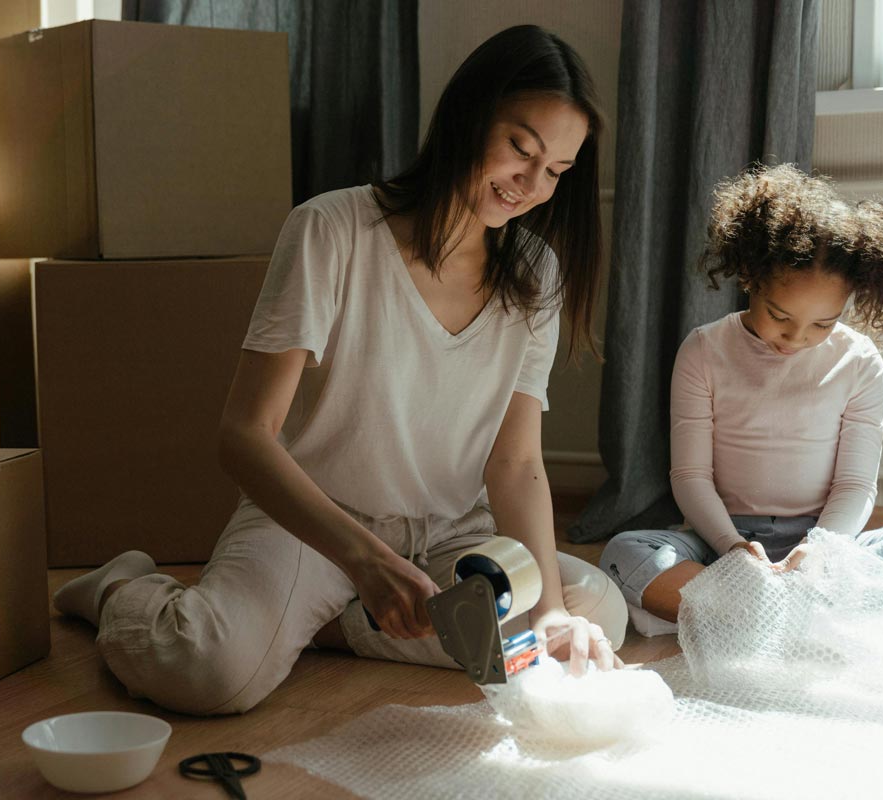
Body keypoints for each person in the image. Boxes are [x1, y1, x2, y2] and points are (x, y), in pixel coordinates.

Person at [53, 24, 628, 715]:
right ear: (468, 115)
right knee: (208, 671)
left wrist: (551, 616)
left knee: (591, 610)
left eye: (557, 172)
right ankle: (124, 588)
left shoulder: (536, 273)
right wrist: (364, 560)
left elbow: (517, 467)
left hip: (451, 538)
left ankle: (333, 624)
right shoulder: (331, 229)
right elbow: (244, 435)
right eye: (520, 149)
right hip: (313, 527)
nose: (531, 186)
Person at [600, 163, 883, 637]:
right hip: (722, 543)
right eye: (779, 316)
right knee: (625, 553)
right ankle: (824, 618)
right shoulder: (704, 350)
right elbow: (690, 476)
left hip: (824, 545)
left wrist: (818, 549)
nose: (795, 338)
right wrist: (732, 548)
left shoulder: (859, 360)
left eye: (823, 324)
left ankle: (744, 617)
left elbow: (856, 484)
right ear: (751, 278)